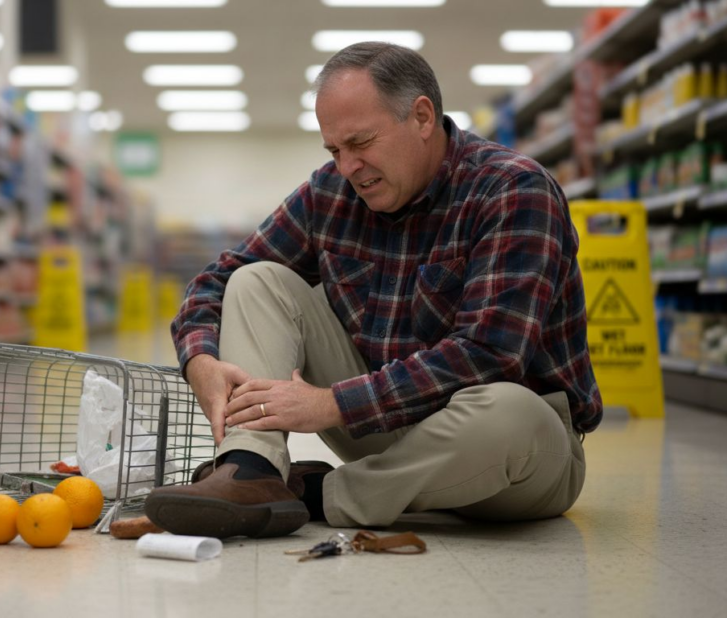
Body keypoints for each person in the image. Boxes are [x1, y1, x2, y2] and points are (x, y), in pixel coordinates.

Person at [144, 42, 602, 539]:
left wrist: (329, 405)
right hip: (384, 430)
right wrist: (200, 363)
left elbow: (491, 354)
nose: (347, 167)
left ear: (422, 117)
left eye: (361, 143)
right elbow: (218, 278)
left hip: (505, 454)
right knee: (258, 280)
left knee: (511, 413)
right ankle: (251, 471)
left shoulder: (514, 190)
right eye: (335, 150)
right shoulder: (331, 193)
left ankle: (316, 495)